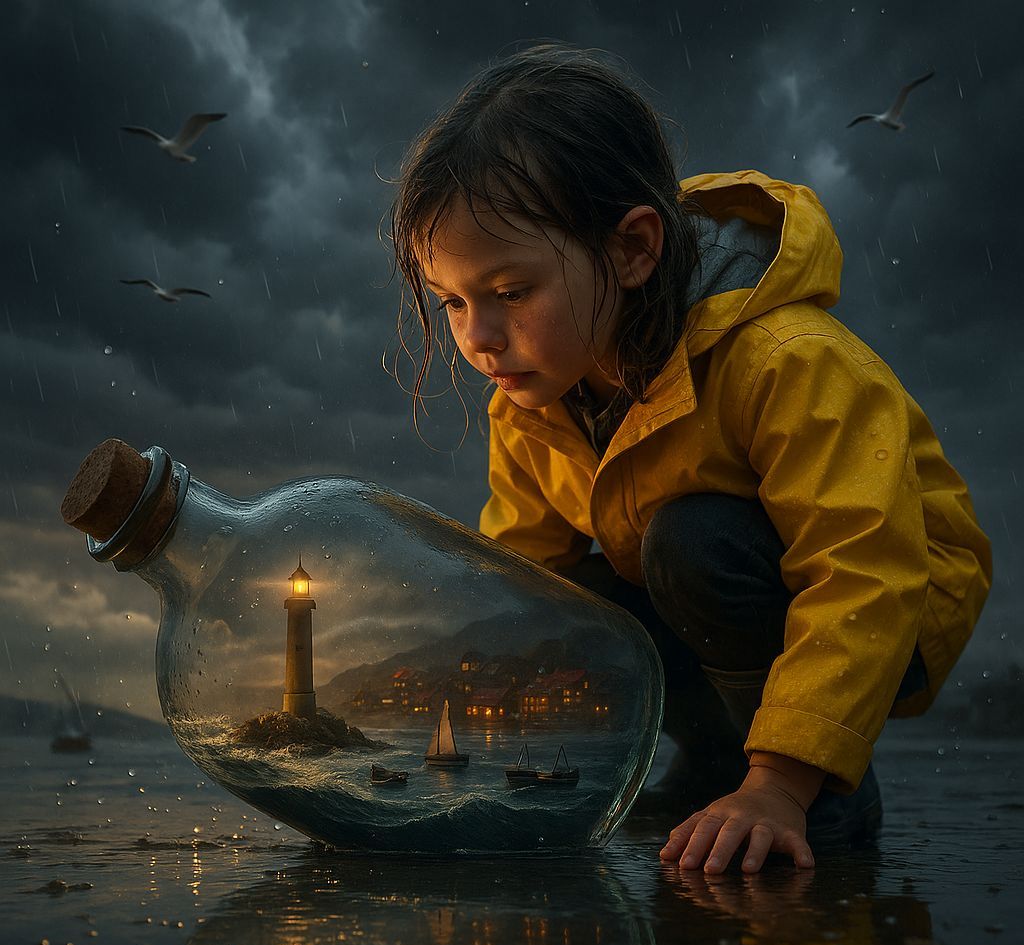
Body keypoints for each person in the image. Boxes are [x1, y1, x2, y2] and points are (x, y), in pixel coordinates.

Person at [388, 45, 991, 873]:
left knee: (691, 541)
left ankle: (811, 785)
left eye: (511, 292)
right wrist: (482, 702)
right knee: (565, 600)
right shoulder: (529, 403)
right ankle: (715, 764)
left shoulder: (786, 359)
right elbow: (523, 580)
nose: (478, 338)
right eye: (453, 302)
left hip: (896, 597)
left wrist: (780, 783)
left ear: (634, 250)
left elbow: (866, 569)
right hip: (717, 599)